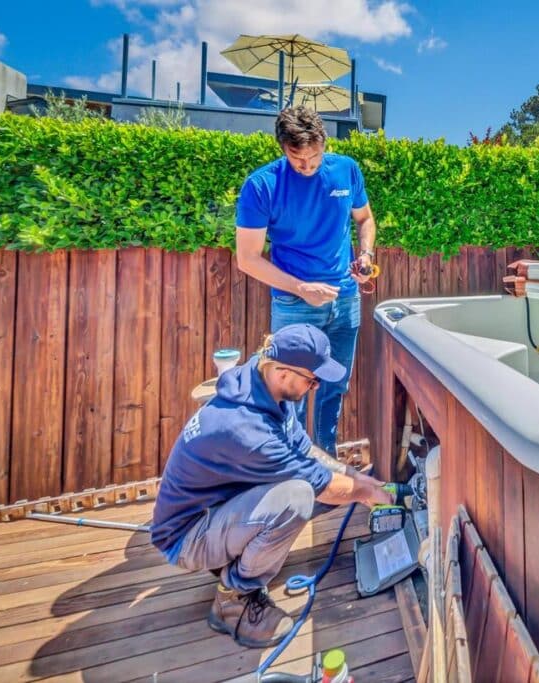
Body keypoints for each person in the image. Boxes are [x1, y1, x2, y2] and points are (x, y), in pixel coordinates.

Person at [151, 324, 393, 648]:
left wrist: (358, 477)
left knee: (329, 488)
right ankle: (234, 599)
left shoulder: (264, 381)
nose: (315, 386)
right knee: (297, 498)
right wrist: (365, 493)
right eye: (313, 380)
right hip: (186, 539)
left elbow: (306, 452)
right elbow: (314, 483)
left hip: (217, 512)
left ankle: (237, 558)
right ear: (282, 372)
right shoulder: (246, 429)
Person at [235, 105, 377, 456]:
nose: (308, 166)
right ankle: (293, 464)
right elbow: (247, 259)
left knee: (335, 384)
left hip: (345, 301)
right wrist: (301, 288)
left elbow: (365, 220)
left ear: (324, 144)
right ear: (282, 148)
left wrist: (366, 255)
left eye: (315, 157)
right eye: (299, 159)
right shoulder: (261, 186)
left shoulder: (347, 170)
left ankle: (324, 458)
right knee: (289, 392)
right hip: (294, 305)